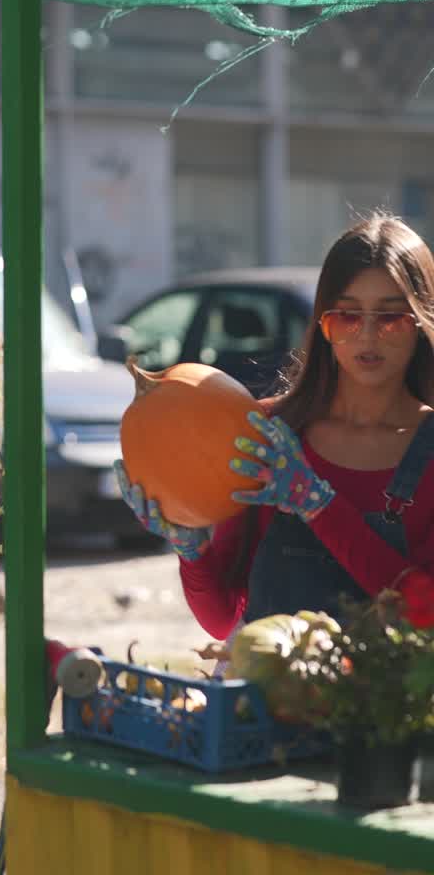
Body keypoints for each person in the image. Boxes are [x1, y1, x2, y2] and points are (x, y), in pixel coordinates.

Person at [116, 212, 434, 640]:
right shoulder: (265, 436)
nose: (368, 336)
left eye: (391, 317)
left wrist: (317, 504)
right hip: (267, 705)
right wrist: (191, 547)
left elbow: (425, 613)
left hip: (390, 707)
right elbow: (224, 619)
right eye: (347, 316)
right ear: (323, 325)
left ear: (421, 323)